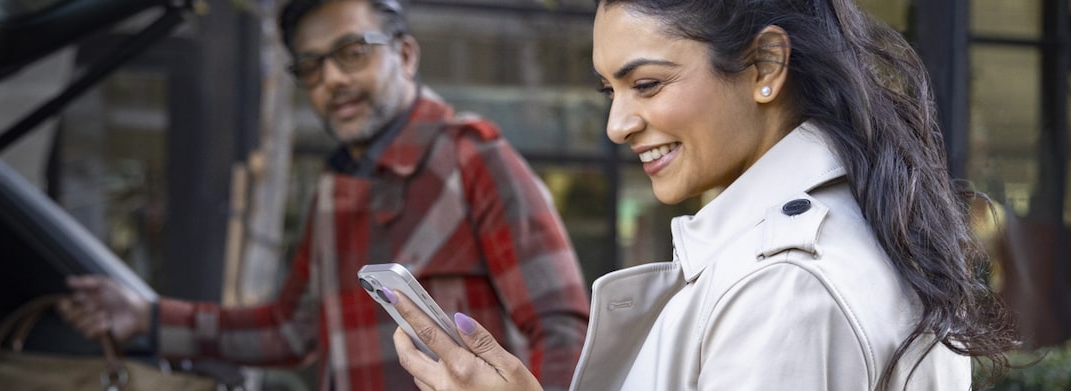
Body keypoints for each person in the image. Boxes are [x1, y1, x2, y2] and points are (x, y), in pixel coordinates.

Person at [386, 0, 1017, 390]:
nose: (618, 124)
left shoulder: (786, 290)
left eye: (649, 84)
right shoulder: (795, 252)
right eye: (612, 90)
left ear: (766, 66)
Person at [56, 0, 591, 390]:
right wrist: (146, 318)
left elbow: (561, 326)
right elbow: (291, 331)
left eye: (352, 53)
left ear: (405, 55)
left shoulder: (476, 159)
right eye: (310, 67)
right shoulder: (334, 188)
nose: (330, 79)